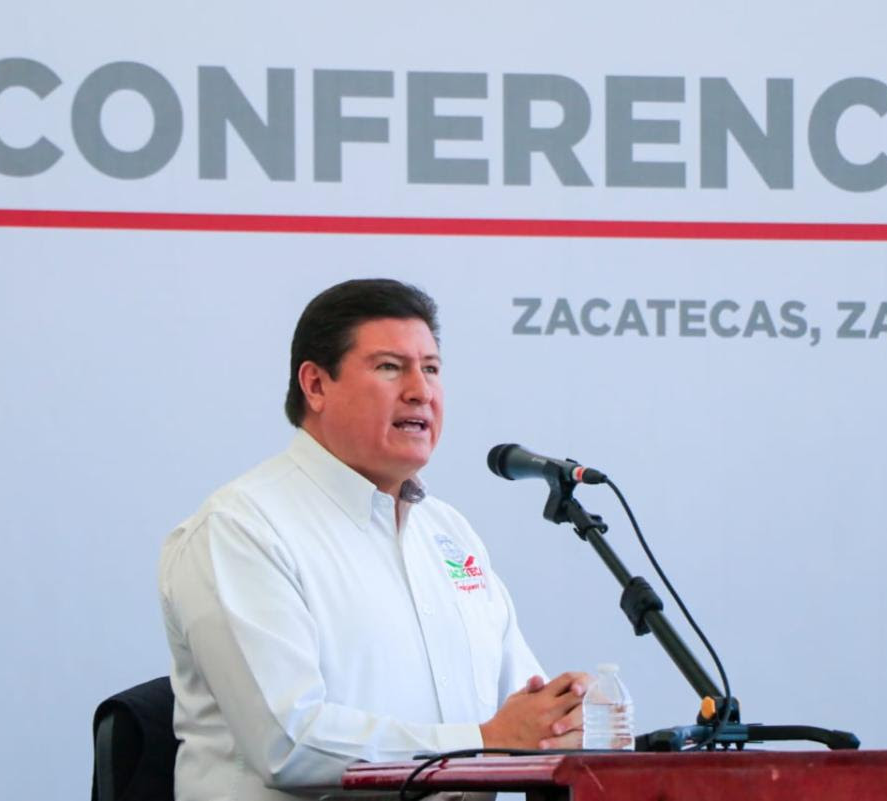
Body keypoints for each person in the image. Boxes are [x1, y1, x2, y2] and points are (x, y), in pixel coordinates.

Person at [159, 278, 587, 801]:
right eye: (389, 367)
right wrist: (481, 742)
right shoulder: (242, 529)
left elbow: (522, 715)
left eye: (431, 369)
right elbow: (288, 742)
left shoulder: (448, 531)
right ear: (316, 385)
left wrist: (565, 717)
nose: (420, 391)